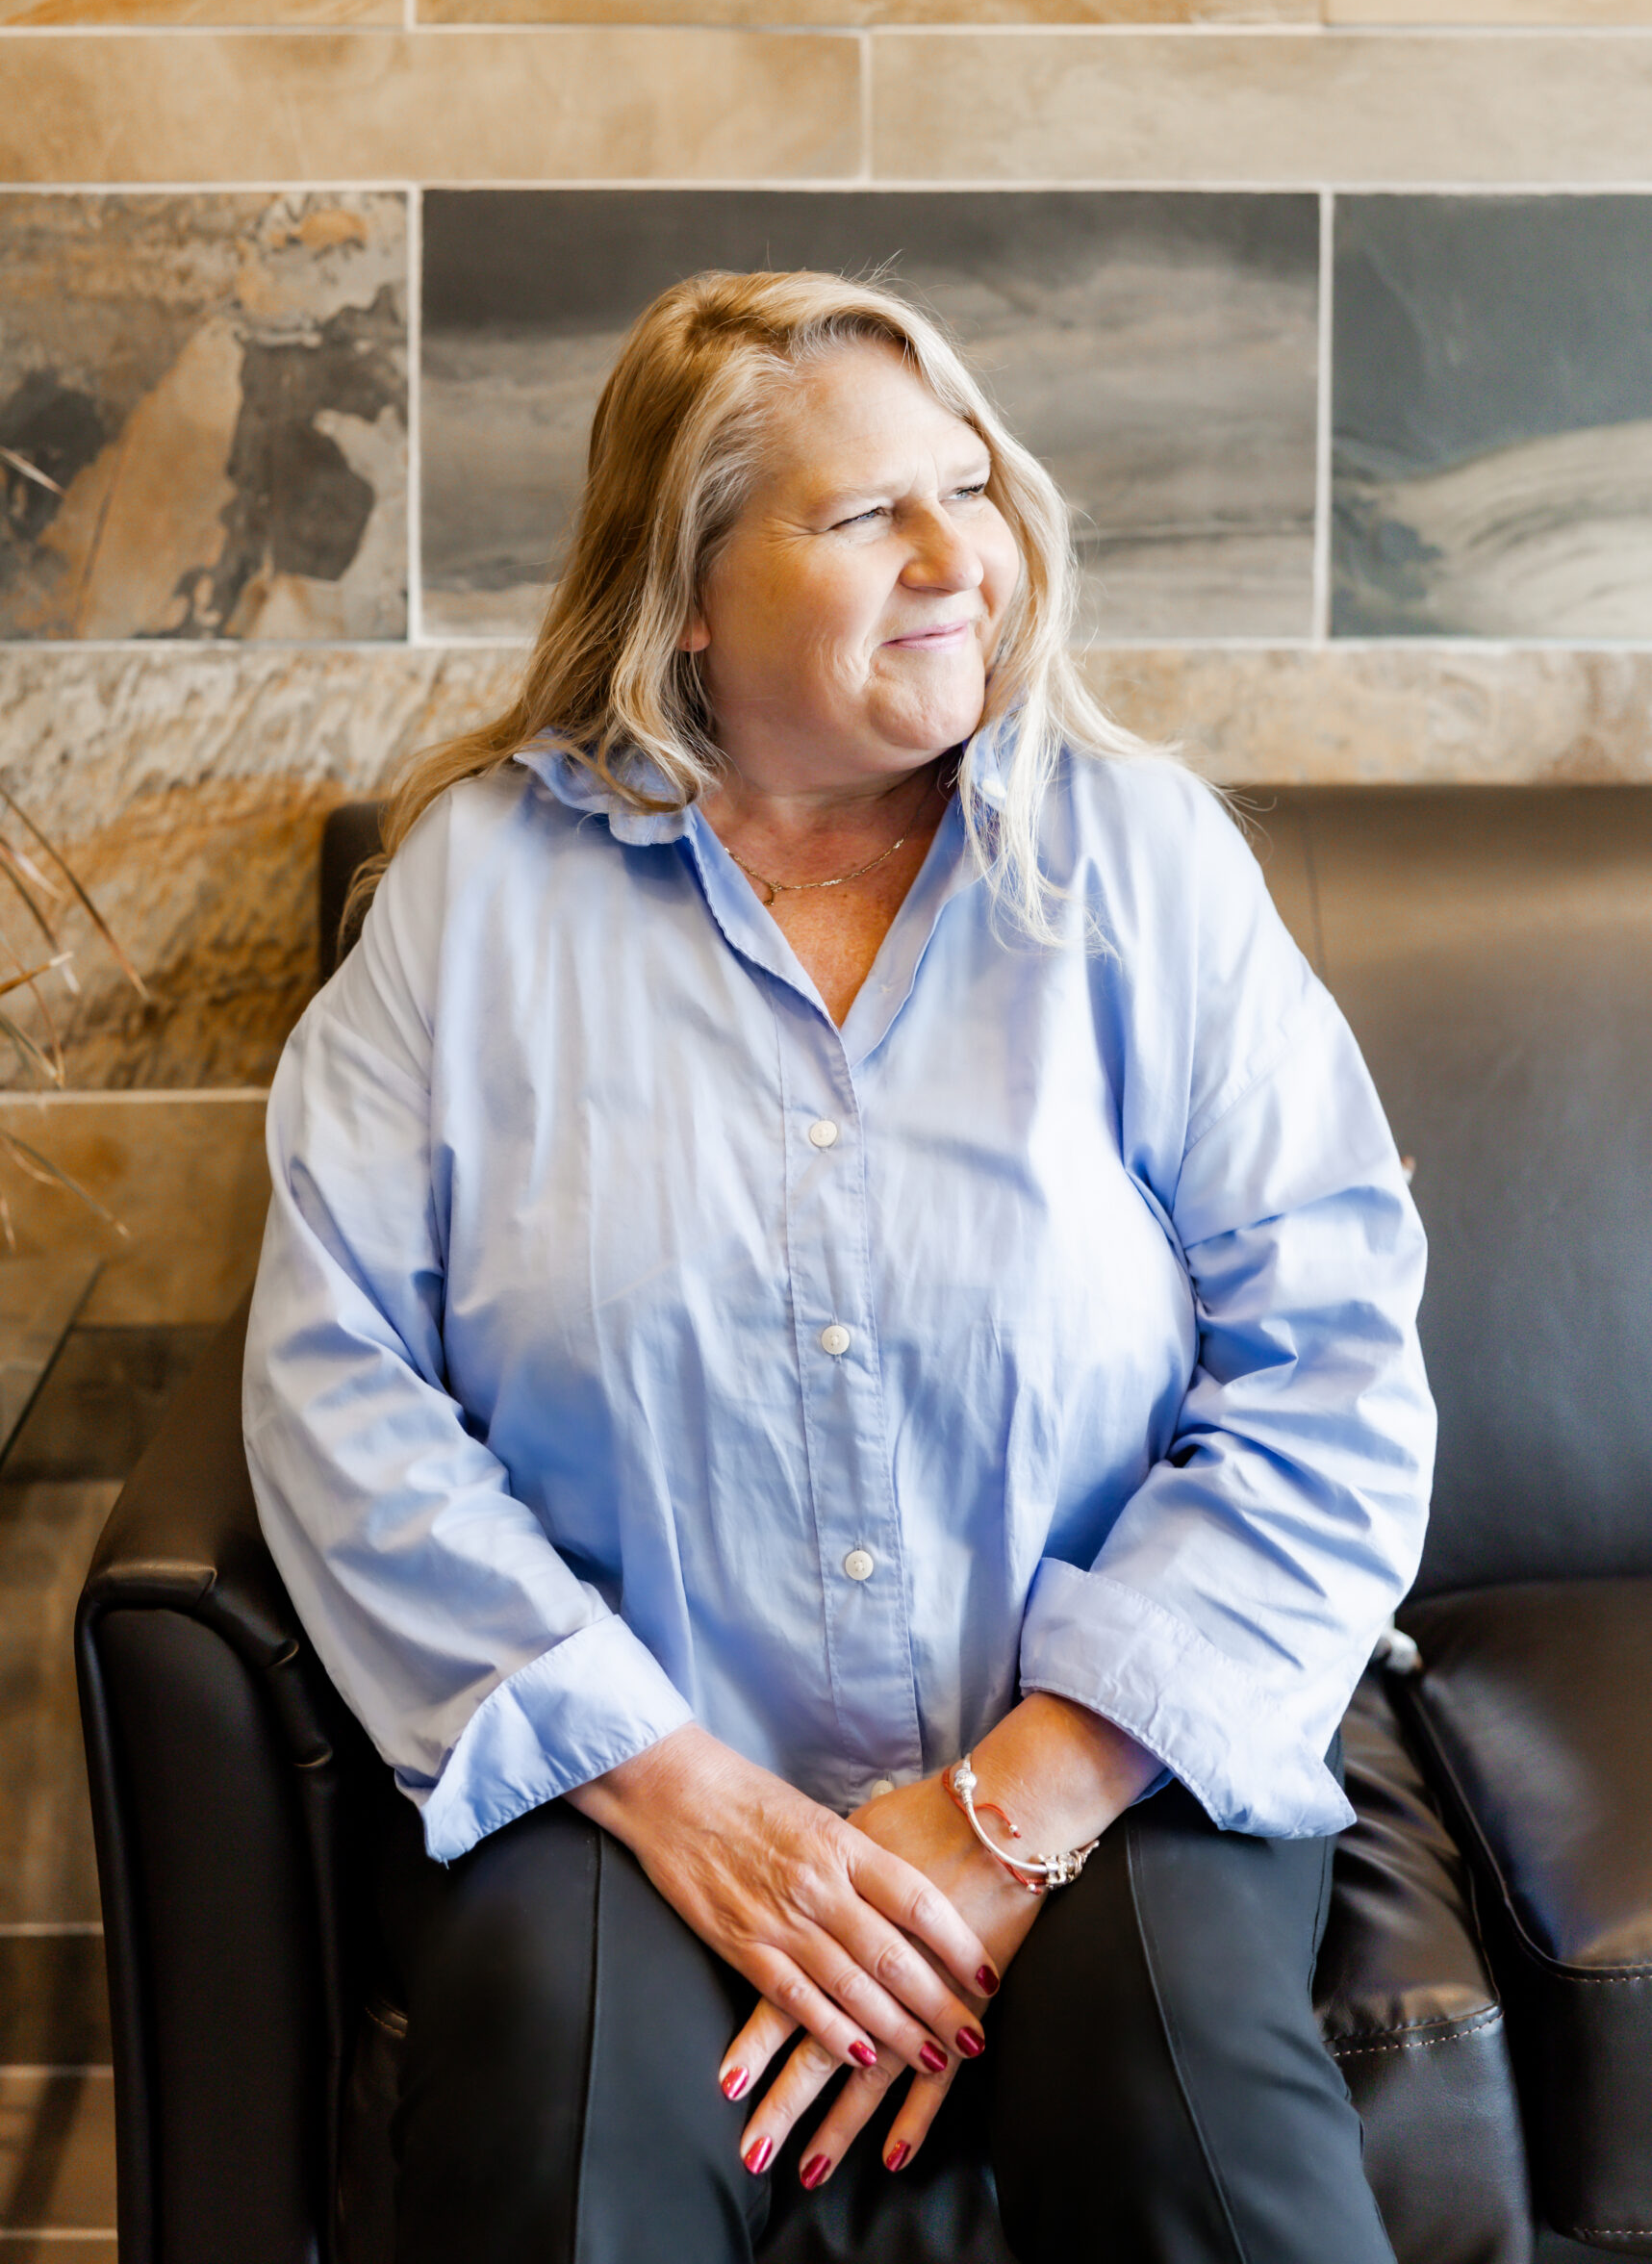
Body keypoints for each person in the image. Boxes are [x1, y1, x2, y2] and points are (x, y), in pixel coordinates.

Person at [243, 268, 1433, 2264]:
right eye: (871, 512)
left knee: (1197, 2108)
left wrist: (1008, 1810)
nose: (961, 557)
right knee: (558, 2129)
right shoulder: (471, 901)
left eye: (969, 486)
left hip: (1113, 1760)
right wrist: (677, 1794)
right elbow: (333, 1386)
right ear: (687, 594)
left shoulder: (1138, 867)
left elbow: (1330, 1365)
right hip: (624, 1786)